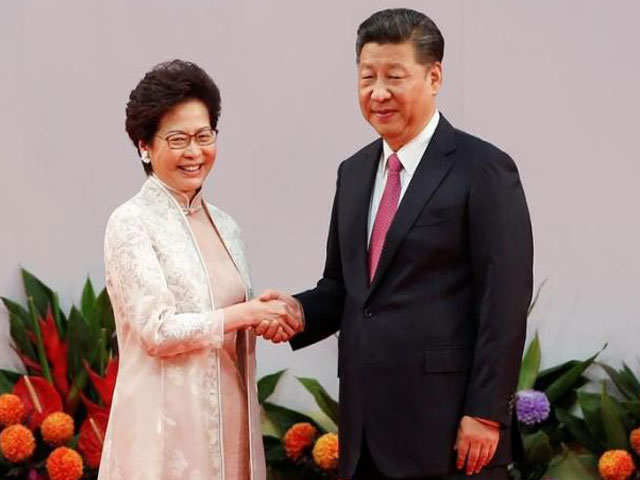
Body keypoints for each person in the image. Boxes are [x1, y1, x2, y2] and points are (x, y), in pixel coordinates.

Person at [259, 8, 533, 480]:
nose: (378, 92)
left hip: (449, 432)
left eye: (394, 77)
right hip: (365, 432)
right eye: (367, 77)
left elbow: (504, 301)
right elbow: (345, 288)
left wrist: (487, 412)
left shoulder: (483, 169)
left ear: (434, 77)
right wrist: (299, 312)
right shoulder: (354, 172)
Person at [101, 59, 298, 480]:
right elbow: (157, 330)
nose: (194, 152)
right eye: (178, 139)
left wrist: (272, 315)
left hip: (233, 430)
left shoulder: (226, 225)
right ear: (144, 146)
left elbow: (229, 319)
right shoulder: (131, 221)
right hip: (165, 438)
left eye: (204, 136)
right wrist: (246, 314)